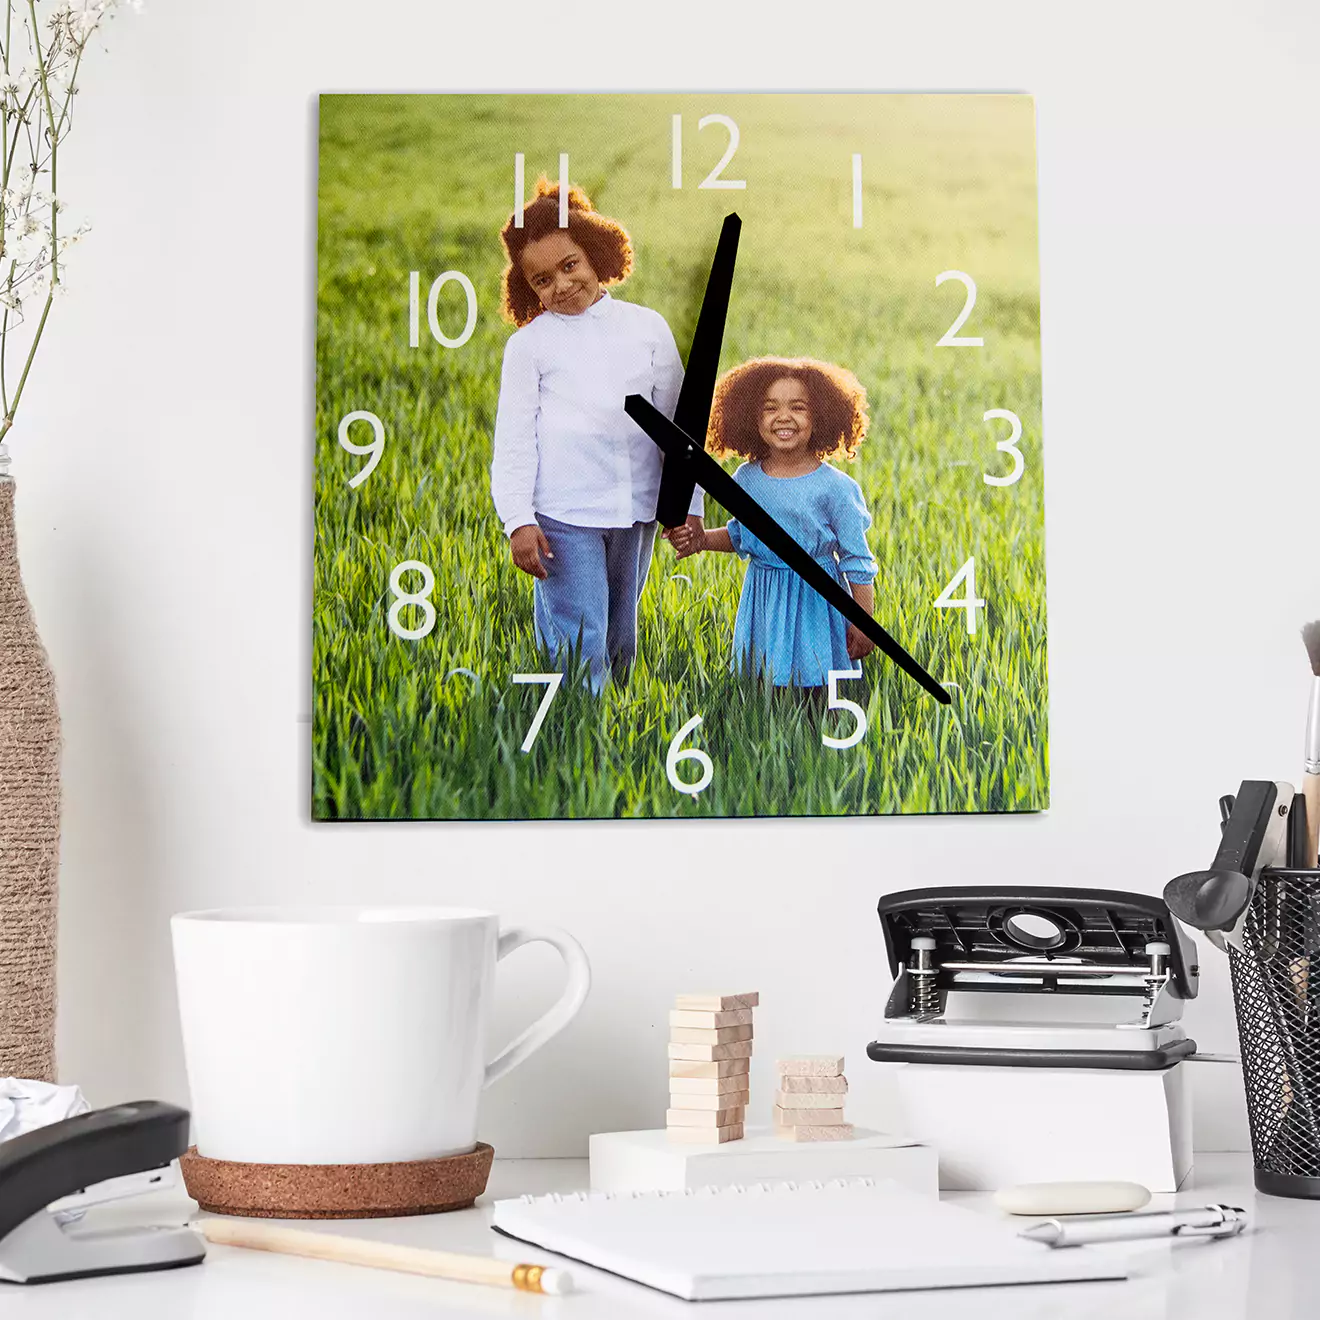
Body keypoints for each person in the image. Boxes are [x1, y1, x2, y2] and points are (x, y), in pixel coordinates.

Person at [489, 178, 703, 690]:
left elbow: (681, 428)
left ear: (596, 254)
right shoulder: (530, 346)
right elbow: (515, 440)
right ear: (527, 288)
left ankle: (617, 725)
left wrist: (688, 506)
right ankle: (580, 731)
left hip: (636, 510)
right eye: (542, 280)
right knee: (578, 636)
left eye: (569, 266)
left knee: (619, 637)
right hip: (564, 514)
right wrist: (518, 520)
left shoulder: (646, 327)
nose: (560, 286)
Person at [667, 357, 877, 688]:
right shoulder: (748, 479)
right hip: (764, 597)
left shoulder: (835, 488)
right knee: (764, 691)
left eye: (798, 407)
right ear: (751, 416)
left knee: (815, 687)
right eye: (770, 408)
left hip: (814, 602)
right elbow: (741, 535)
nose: (784, 417)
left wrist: (865, 623)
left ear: (819, 415)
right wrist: (702, 540)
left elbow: (857, 561)